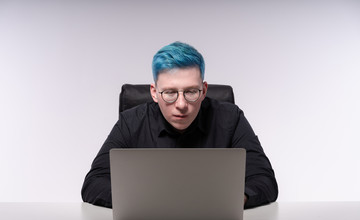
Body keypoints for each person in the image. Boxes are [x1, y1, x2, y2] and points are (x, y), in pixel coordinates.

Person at [81, 41, 278, 209]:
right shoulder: (131, 123)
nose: (181, 105)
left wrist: (233, 200)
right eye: (169, 93)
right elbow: (93, 183)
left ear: (204, 90)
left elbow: (264, 180)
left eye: (191, 91)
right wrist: (145, 202)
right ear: (154, 92)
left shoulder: (230, 119)